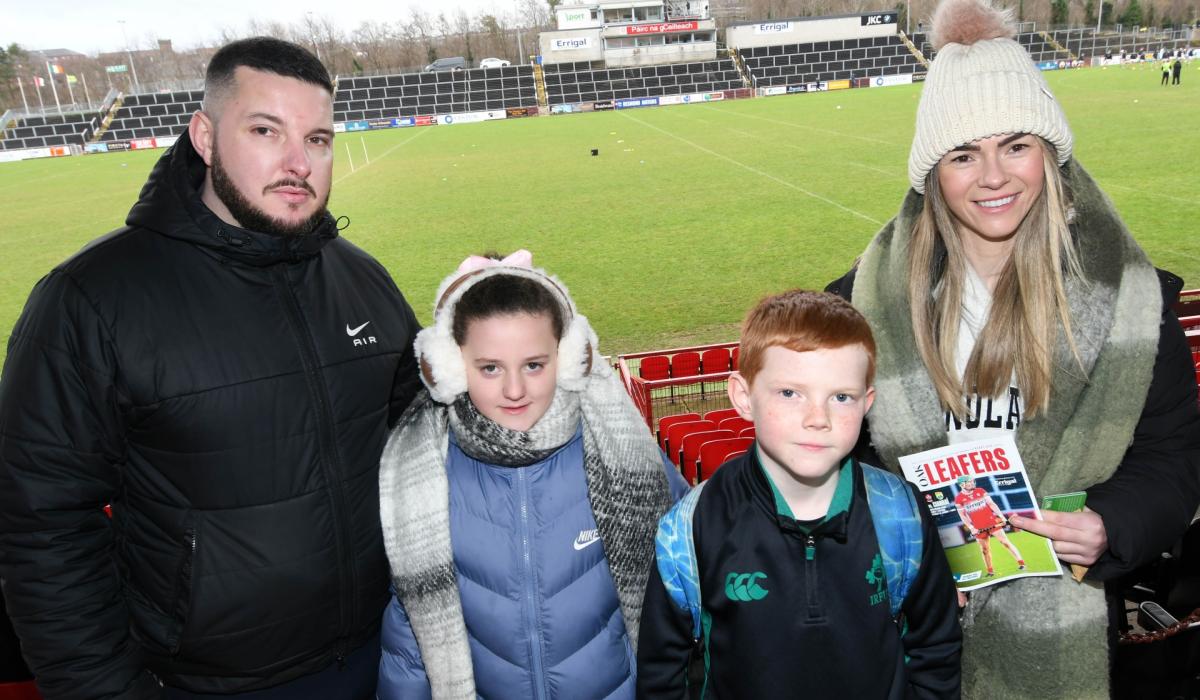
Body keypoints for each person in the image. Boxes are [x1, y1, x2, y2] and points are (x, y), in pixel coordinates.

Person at [0, 37, 421, 699]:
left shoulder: (364, 281)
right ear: (203, 135)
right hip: (201, 685)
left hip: (382, 658)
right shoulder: (92, 300)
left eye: (317, 139)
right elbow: (41, 527)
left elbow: (423, 447)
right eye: (264, 131)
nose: (297, 162)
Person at [825, 0, 1200, 696]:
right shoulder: (858, 305)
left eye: (1015, 145)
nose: (993, 176)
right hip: (906, 643)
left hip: (1073, 635)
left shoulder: (1132, 302)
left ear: (1050, 153)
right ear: (933, 173)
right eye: (964, 155)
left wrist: (1108, 526)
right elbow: (827, 468)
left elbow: (1173, 458)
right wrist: (901, 556)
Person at [376, 251, 689, 699]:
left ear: (570, 356)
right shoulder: (422, 477)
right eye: (489, 368)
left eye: (534, 365)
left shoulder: (624, 452)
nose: (515, 389)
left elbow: (693, 572)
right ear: (446, 367)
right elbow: (409, 637)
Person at [637, 290, 962, 699]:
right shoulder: (690, 529)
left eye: (841, 397)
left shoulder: (902, 514)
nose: (817, 419)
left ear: (867, 405)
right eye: (790, 393)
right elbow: (663, 675)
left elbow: (935, 649)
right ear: (742, 396)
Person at [952, 475, 1025, 576]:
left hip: (991, 522)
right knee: (984, 550)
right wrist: (972, 528)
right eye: (969, 482)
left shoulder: (981, 491)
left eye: (972, 481)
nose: (972, 483)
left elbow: (991, 504)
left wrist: (1001, 516)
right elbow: (962, 515)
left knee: (1005, 542)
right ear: (962, 484)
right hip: (978, 527)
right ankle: (990, 571)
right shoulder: (958, 499)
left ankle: (1021, 563)